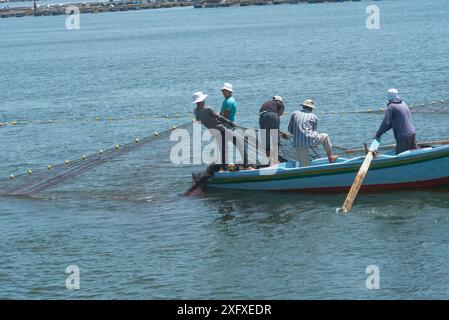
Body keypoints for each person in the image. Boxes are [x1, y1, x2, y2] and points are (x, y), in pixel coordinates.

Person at [192, 91, 247, 167]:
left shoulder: (196, 111)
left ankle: (225, 165)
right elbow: (219, 117)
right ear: (202, 100)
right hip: (222, 130)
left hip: (214, 132)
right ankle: (246, 164)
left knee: (223, 148)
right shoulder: (208, 109)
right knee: (240, 143)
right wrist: (230, 123)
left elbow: (199, 121)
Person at [288, 99, 338, 167]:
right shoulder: (314, 116)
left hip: (298, 142)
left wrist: (299, 134)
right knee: (325, 137)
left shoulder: (295, 113)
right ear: (311, 108)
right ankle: (330, 157)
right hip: (310, 139)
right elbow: (313, 131)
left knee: (304, 165)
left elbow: (290, 129)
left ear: (303, 106)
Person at [374, 89, 417, 154]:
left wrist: (378, 134)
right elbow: (390, 124)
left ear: (389, 98)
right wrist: (381, 131)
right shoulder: (403, 103)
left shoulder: (391, 107)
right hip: (412, 133)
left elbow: (386, 123)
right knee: (412, 154)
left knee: (402, 156)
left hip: (403, 137)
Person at [259, 96, 286, 164]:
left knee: (265, 137)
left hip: (262, 116)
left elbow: (261, 112)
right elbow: (278, 115)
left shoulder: (266, 103)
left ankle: (268, 159)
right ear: (280, 101)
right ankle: (276, 158)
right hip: (273, 116)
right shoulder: (280, 104)